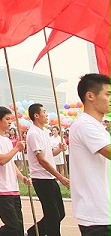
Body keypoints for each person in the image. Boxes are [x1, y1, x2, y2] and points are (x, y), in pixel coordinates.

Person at [70, 74, 111, 234]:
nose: (110, 99)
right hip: (97, 216)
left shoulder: (97, 126)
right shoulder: (84, 125)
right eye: (108, 94)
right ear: (90, 96)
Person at [0, 106, 32, 236]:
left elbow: (10, 163)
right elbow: (0, 160)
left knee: (18, 227)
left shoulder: (6, 140)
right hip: (0, 189)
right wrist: (17, 148)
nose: (10, 122)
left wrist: (22, 177)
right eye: (7, 119)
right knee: (13, 226)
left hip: (12, 187)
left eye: (10, 119)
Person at [25, 103, 69, 236]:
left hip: (49, 178)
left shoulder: (44, 131)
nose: (46, 114)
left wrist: (59, 149)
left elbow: (49, 154)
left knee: (59, 213)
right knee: (53, 216)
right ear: (36, 115)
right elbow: (41, 159)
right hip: (41, 179)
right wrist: (60, 176)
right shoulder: (33, 133)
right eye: (44, 112)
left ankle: (32, 233)